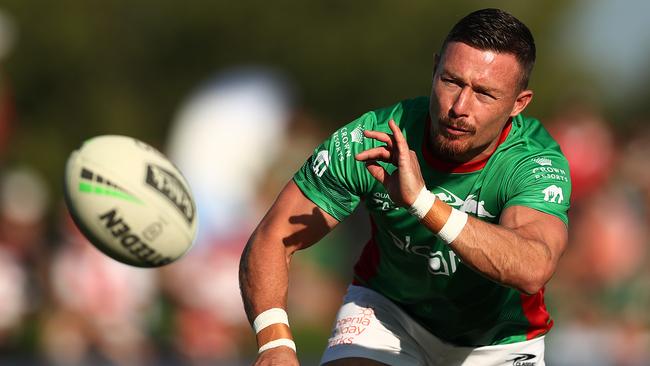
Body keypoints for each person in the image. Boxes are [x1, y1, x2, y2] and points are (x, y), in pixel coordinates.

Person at [240, 8, 571, 366]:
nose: (459, 107)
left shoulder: (533, 162)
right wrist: (274, 342)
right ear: (434, 70)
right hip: (389, 314)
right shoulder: (372, 138)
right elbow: (272, 237)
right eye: (451, 81)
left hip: (499, 340)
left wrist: (423, 204)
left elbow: (532, 268)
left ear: (518, 104)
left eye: (484, 94)